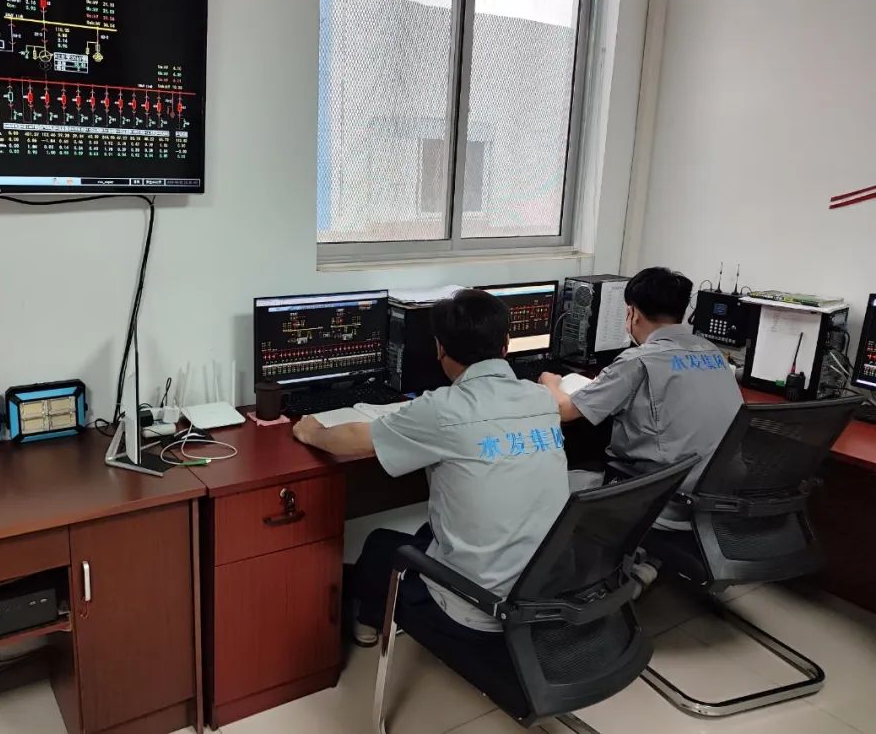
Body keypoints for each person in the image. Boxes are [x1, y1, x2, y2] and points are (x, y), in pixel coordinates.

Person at [292, 288, 567, 713]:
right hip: (546, 593)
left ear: (440, 349)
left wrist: (308, 431)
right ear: (506, 344)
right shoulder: (541, 399)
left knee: (382, 545)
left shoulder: (443, 409)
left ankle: (368, 619)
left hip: (480, 610)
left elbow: (354, 441)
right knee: (427, 531)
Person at [539, 267, 743, 530]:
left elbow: (564, 410)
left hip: (666, 500)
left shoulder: (638, 361)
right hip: (723, 499)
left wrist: (550, 381)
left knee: (557, 484)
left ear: (632, 313)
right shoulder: (712, 351)